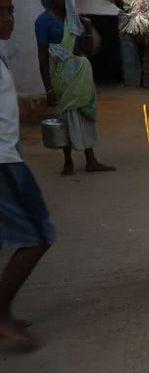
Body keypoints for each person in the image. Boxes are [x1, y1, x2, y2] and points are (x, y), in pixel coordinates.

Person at [0, 0, 54, 347]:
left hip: (9, 154)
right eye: (1, 12)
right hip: (3, 162)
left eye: (10, 10)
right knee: (37, 236)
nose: (8, 18)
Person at [35, 0, 114, 175]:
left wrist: (87, 28)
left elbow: (87, 49)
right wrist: (48, 88)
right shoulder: (43, 21)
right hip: (61, 76)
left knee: (86, 114)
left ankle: (91, 160)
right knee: (66, 117)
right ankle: (68, 161)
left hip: (81, 74)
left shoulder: (75, 20)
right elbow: (42, 57)